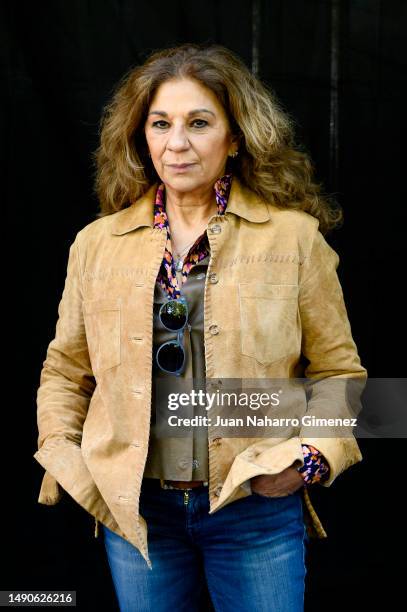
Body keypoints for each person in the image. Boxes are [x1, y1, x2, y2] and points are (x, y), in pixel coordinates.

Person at [34, 43, 367, 611]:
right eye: (161, 124)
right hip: (136, 513)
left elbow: (341, 373)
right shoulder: (96, 245)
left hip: (254, 509)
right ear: (143, 136)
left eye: (198, 123)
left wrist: (307, 460)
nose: (177, 143)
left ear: (235, 137)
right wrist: (61, 452)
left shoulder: (294, 240)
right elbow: (65, 369)